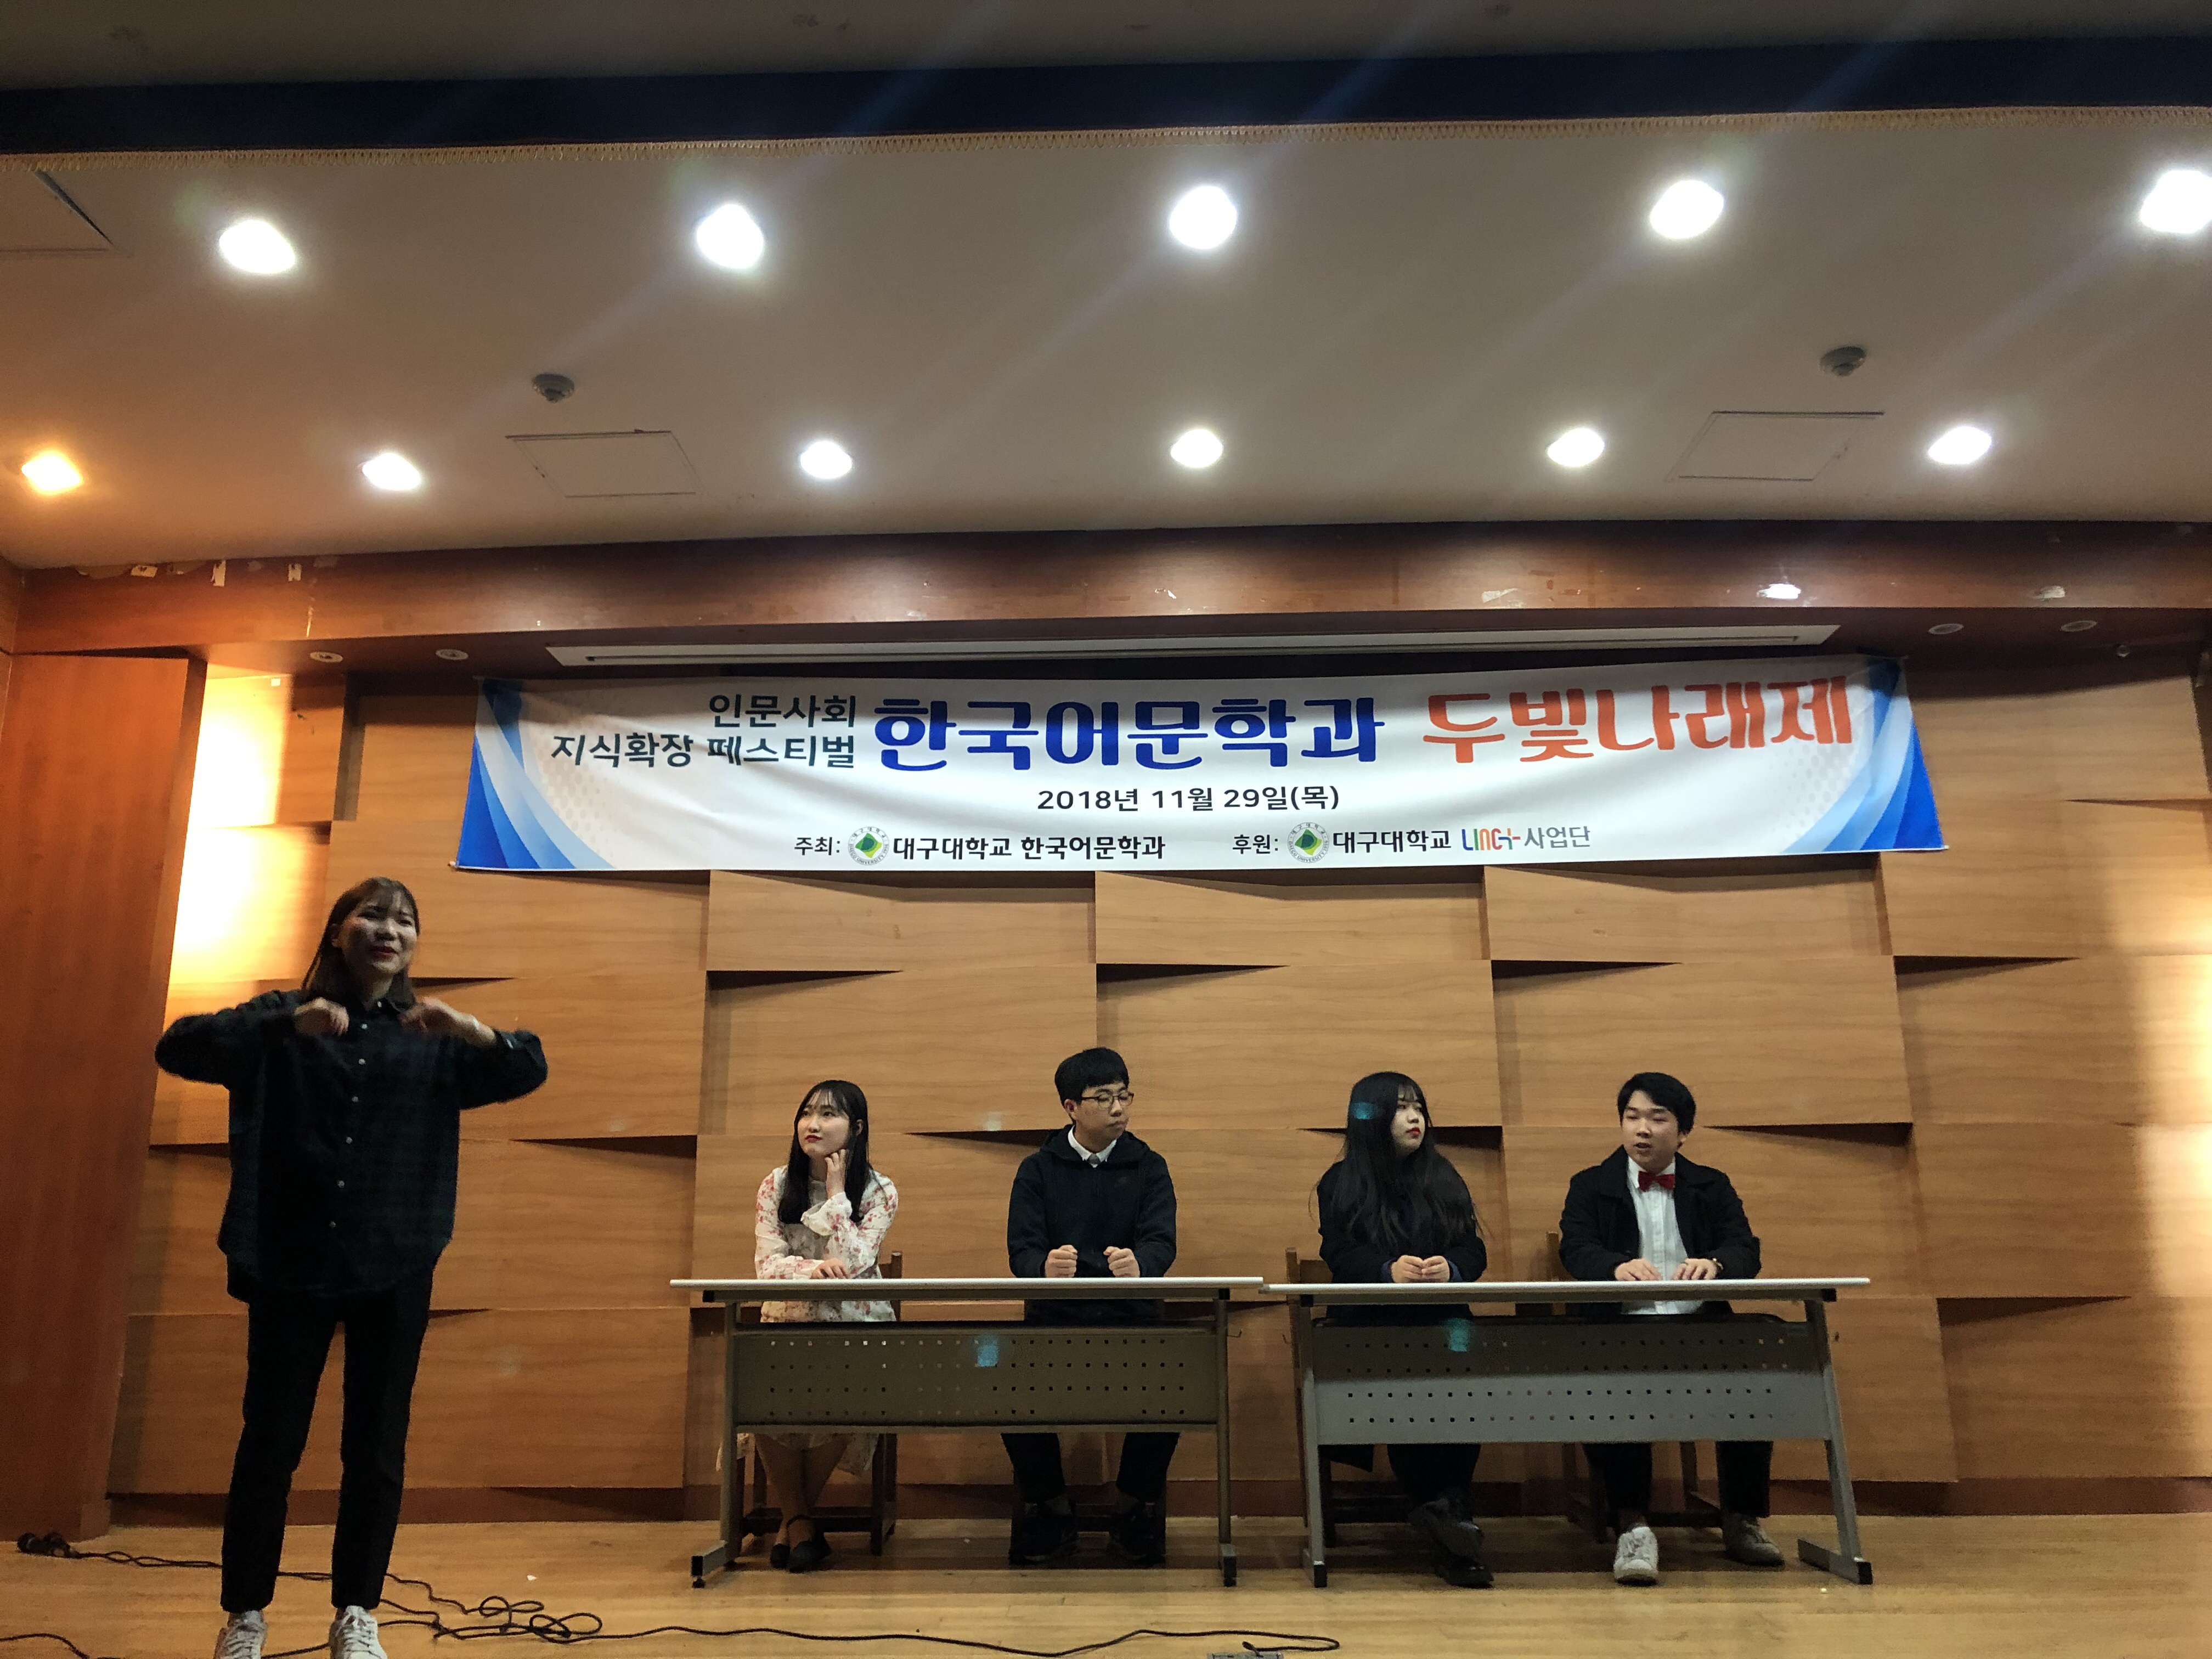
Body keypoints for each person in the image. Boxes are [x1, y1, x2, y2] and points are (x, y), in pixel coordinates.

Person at [155, 877, 547, 1659]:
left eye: (404, 920)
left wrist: (474, 1029)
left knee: (376, 1449)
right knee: (270, 1445)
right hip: (289, 1261)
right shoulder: (284, 1018)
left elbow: (527, 1067)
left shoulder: (431, 1033)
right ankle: (245, 1616)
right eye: (372, 915)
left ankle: (357, 1611)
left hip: (394, 1261)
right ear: (338, 931)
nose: (389, 930)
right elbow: (178, 1046)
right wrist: (281, 1027)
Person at [1557, 1070, 1785, 1586]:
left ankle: (1741, 1518)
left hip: (1700, 1327)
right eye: (1632, 1117)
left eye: (1657, 1118)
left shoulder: (1712, 1184)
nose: (1642, 1129)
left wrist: (1717, 1264)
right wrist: (1613, 1267)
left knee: (1752, 1384)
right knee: (1611, 1388)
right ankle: (1632, 1525)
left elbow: (1745, 1248)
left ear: (1683, 1133)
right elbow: (1576, 1247)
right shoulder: (1590, 1184)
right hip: (1621, 1327)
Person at [1314, 1071, 1495, 1588]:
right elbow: (1338, 1252)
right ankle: (1448, 1517)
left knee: (1463, 1387)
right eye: (1399, 1108)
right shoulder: (1339, 1182)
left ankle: (1449, 1510)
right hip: (1370, 1327)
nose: (1414, 1117)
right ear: (1370, 1118)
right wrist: (1385, 1271)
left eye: (1418, 1106)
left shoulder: (1443, 1174)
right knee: (1405, 1389)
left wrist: (1450, 1269)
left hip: (1443, 1323)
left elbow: (1473, 1249)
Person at [1002, 1046, 1177, 1567]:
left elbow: (1161, 1242)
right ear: (1071, 1107)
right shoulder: (1038, 1169)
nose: (1118, 1108)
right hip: (1055, 1324)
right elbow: (1021, 1250)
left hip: (1132, 1323)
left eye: (1124, 1096)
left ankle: (1133, 1508)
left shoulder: (1149, 1166)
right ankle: (1051, 1509)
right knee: (1007, 1392)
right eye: (1104, 1098)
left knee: (1175, 1387)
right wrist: (1043, 1266)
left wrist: (1141, 1264)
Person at [751, 1079, 899, 1572]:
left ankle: (794, 1522)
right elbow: (767, 1265)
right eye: (807, 1113)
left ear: (856, 1129)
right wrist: (812, 1269)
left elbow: (855, 1263)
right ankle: (800, 1522)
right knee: (760, 1402)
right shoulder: (776, 1185)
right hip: (787, 1320)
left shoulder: (879, 1190)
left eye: (828, 1114)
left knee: (849, 1401)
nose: (812, 1124)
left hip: (854, 1326)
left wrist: (837, 1197)